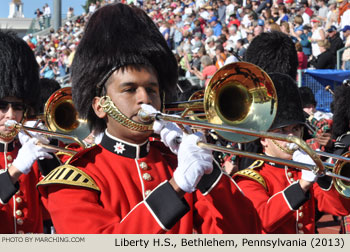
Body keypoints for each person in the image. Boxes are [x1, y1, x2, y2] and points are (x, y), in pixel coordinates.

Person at [37, 3, 261, 234]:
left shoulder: (175, 164)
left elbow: (245, 234)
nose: (145, 98)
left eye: (152, 89)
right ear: (100, 106)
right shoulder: (74, 178)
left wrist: (210, 174)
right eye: (130, 89)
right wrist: (176, 187)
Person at [233, 73, 350, 234]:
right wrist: (302, 185)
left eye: (295, 129)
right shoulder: (249, 178)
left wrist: (322, 175)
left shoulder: (301, 170)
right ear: (264, 139)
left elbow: (340, 209)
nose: (292, 137)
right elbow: (262, 220)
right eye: (282, 131)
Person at [0, 30, 56, 233]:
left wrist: (48, 158)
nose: (11, 115)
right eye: (2, 106)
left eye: (18, 107)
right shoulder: (23, 158)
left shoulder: (28, 150)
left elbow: (54, 210)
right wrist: (14, 171)